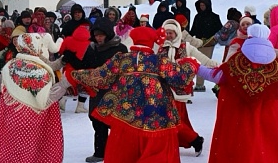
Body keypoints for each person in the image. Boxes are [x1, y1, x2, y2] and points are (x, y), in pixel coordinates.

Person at [69, 27, 199, 163]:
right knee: (156, 154)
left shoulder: (121, 59)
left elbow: (99, 76)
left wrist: (75, 75)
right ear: (151, 42)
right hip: (155, 117)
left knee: (123, 154)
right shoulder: (158, 61)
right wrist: (191, 64)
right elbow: (181, 78)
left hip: (125, 116)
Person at [198, 24, 278, 163]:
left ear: (249, 37)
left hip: (237, 117)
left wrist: (196, 67)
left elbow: (216, 76)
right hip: (267, 118)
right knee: (265, 149)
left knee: (237, 149)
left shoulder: (236, 62)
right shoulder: (276, 66)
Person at [0, 33, 66, 163]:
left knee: (14, 154)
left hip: (12, 119)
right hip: (37, 122)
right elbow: (47, 99)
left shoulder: (10, 67)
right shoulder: (41, 70)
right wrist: (65, 84)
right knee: (36, 153)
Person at [159, 19, 218, 157]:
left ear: (177, 33)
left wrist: (218, 66)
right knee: (173, 119)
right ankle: (174, 142)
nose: (168, 35)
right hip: (161, 90)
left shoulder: (186, 47)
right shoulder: (159, 47)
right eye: (166, 32)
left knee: (174, 120)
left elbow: (203, 60)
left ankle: (195, 140)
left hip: (180, 90)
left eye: (171, 33)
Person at [83, 17, 128, 162]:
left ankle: (120, 151)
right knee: (97, 121)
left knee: (116, 123)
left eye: (101, 35)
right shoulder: (92, 49)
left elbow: (125, 69)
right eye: (96, 35)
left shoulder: (119, 49)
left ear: (107, 34)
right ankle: (100, 152)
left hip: (115, 90)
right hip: (97, 90)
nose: (98, 38)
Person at [190, 0, 222, 91]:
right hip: (198, 42)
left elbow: (219, 30)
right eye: (200, 5)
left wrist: (214, 38)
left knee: (204, 63)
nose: (202, 7)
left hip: (209, 43)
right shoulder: (197, 16)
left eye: (203, 5)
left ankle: (200, 84)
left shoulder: (214, 17)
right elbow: (193, 30)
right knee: (196, 62)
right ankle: (197, 83)